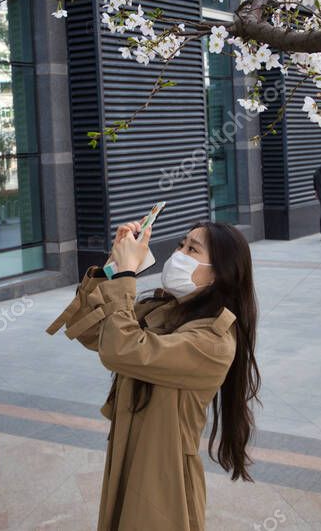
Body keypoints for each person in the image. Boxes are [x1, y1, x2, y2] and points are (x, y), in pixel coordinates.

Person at [46, 221, 260, 531]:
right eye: (180, 244)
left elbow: (123, 349)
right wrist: (113, 268)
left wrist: (126, 278)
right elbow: (93, 331)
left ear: (219, 273)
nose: (179, 254)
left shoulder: (213, 340)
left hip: (164, 471)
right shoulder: (166, 310)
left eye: (192, 249)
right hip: (129, 453)